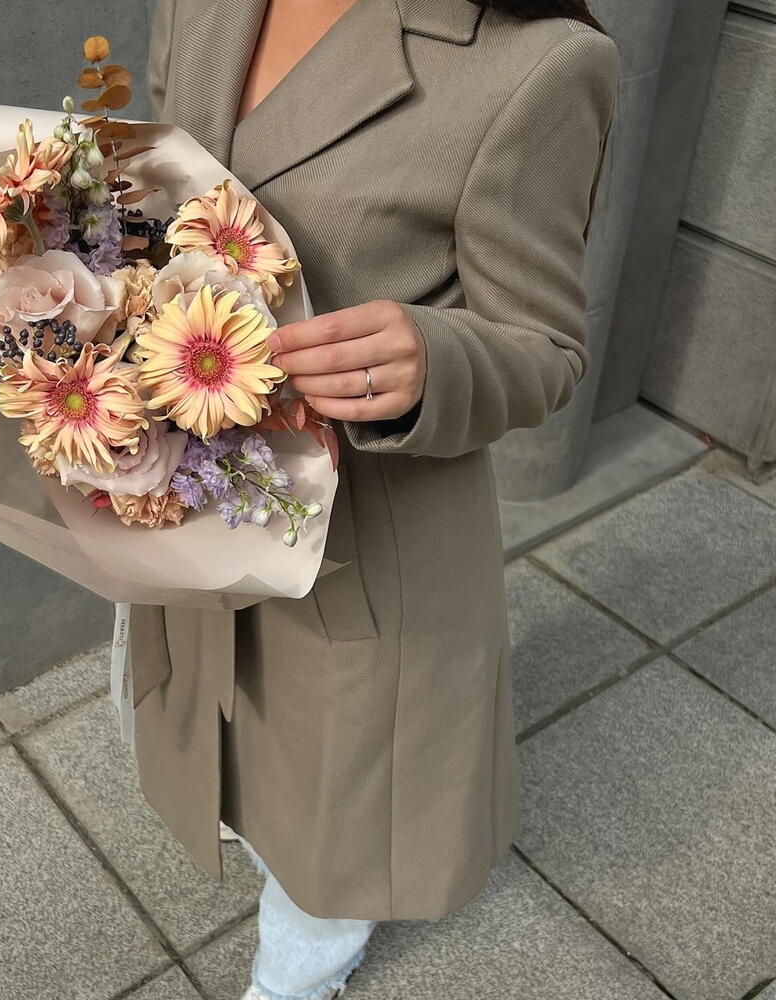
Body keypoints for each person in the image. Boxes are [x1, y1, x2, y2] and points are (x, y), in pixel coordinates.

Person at [132, 1, 621, 997]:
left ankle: (300, 972)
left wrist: (431, 359)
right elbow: (159, 175)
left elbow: (546, 346)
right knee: (212, 732)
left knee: (335, 812)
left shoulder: (538, 64)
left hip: (362, 534)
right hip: (188, 482)